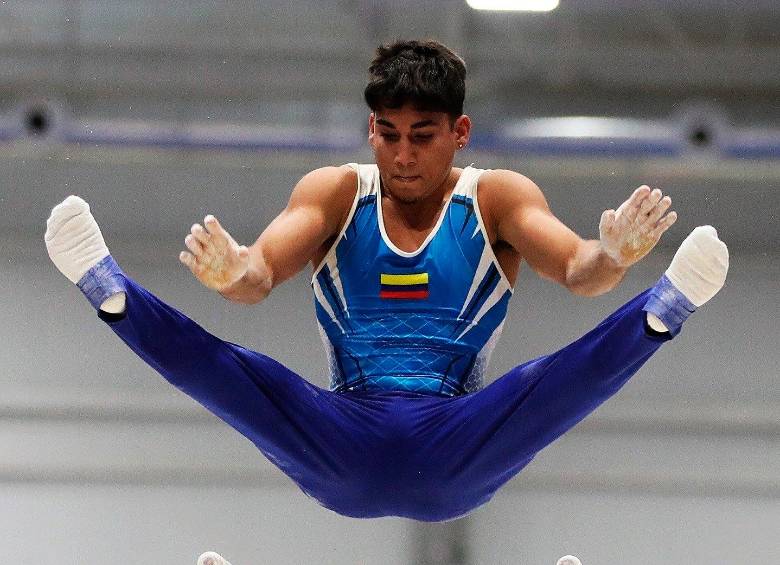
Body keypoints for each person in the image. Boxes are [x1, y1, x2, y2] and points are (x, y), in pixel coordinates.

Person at [45, 40, 728, 522]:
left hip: (458, 442)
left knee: (549, 381)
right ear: (370, 128)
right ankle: (113, 292)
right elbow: (257, 275)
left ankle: (660, 309)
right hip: (339, 435)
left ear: (460, 131)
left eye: (422, 135)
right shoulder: (336, 192)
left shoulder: (496, 199)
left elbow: (580, 271)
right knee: (233, 367)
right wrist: (232, 271)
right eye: (387, 132)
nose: (402, 154)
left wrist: (614, 254)